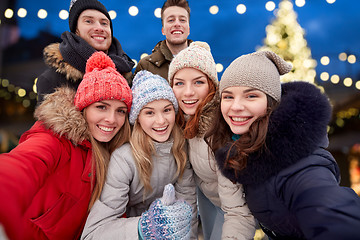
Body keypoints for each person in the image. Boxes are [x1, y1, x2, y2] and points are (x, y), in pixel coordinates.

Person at [206, 51, 360, 239]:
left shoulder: (300, 165)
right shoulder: (249, 148)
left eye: (251, 96)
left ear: (271, 103)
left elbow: (337, 223)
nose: (236, 106)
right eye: (228, 96)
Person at [0, 51, 132, 240]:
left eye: (120, 111)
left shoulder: (116, 153)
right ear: (84, 108)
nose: (111, 119)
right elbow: (23, 164)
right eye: (101, 107)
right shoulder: (56, 138)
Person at [81, 70, 198, 240]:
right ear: (138, 119)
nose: (161, 121)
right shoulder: (124, 159)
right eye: (149, 112)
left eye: (166, 110)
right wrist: (145, 228)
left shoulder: (180, 151)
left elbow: (188, 212)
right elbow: (94, 233)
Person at [168, 41, 256, 239]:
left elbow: (239, 212)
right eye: (179, 83)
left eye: (198, 82)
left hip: (234, 212)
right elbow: (186, 190)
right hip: (209, 201)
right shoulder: (180, 124)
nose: (188, 92)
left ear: (211, 86)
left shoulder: (219, 131)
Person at [36, 0, 134, 103]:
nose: (99, 28)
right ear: (76, 30)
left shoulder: (127, 75)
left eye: (104, 23)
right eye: (88, 21)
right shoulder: (51, 80)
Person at [134, 0, 192, 81]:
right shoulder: (145, 66)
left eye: (182, 20)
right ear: (163, 30)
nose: (177, 24)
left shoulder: (204, 60)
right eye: (171, 20)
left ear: (188, 30)